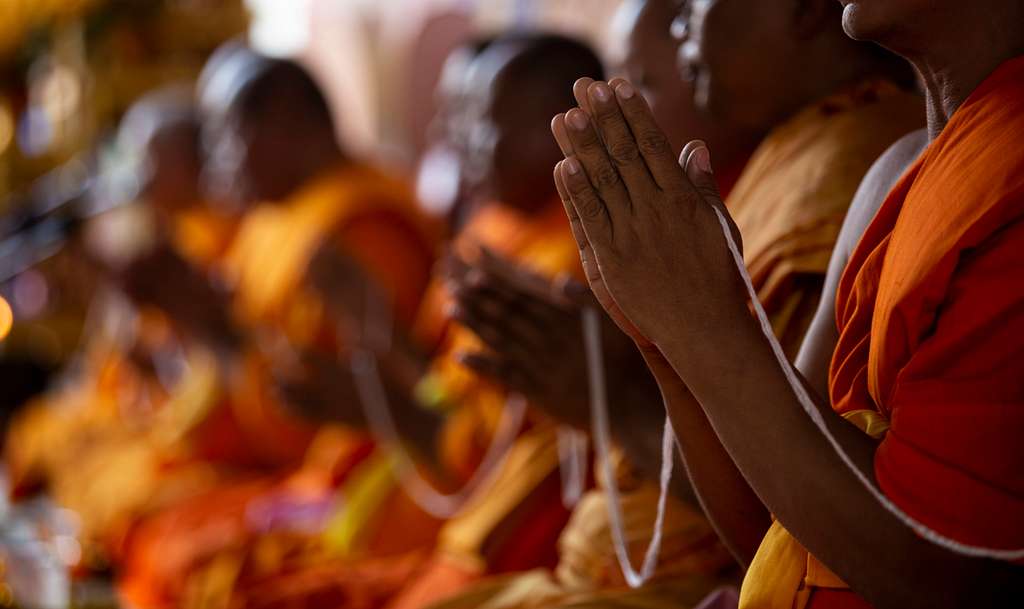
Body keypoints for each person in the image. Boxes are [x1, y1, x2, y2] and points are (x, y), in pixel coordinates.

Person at [551, 0, 1024, 606]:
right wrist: (664, 333)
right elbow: (782, 530)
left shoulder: (1008, 172)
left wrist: (704, 326)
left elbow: (941, 577)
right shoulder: (894, 172)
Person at [117, 54, 442, 609]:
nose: (214, 161)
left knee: (178, 551)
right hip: (296, 471)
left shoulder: (361, 228)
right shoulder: (274, 218)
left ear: (289, 122)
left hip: (365, 483)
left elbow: (311, 429)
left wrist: (213, 334)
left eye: (226, 135)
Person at [379, 33, 608, 609]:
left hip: (517, 512)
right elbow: (446, 383)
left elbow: (495, 446)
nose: (459, 143)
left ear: (561, 129)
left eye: (482, 123)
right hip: (446, 487)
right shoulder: (493, 227)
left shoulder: (582, 260)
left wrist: (382, 374)